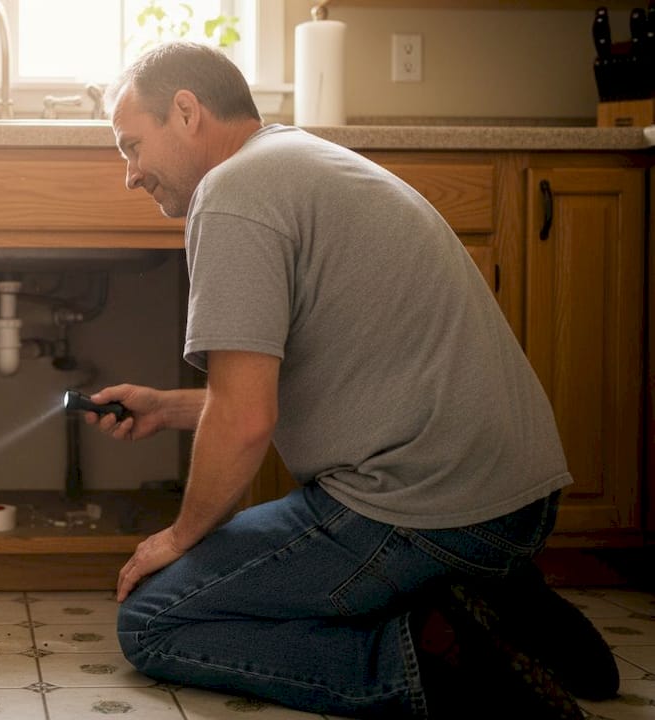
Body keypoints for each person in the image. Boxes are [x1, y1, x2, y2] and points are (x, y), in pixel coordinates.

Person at [84, 41, 619, 719]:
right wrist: (168, 407)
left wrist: (178, 537)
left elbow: (247, 421)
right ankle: (498, 600)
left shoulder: (231, 192)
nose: (130, 175)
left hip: (425, 508)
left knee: (155, 619)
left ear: (186, 112)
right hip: (515, 501)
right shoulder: (299, 159)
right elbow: (285, 389)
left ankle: (438, 661)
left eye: (132, 146)